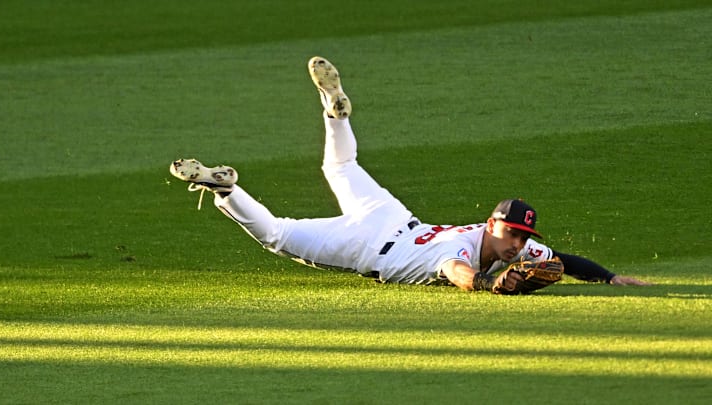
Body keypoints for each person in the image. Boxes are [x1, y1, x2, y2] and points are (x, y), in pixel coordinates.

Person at [169, 56, 651, 293]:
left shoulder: (514, 247)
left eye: (525, 237)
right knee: (276, 234)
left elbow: (564, 258)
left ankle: (335, 114)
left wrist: (609, 279)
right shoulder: (463, 249)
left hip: (392, 218)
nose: (519, 246)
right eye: (513, 234)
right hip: (365, 244)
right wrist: (488, 287)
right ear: (490, 223)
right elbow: (456, 271)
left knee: (340, 165)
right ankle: (228, 188)